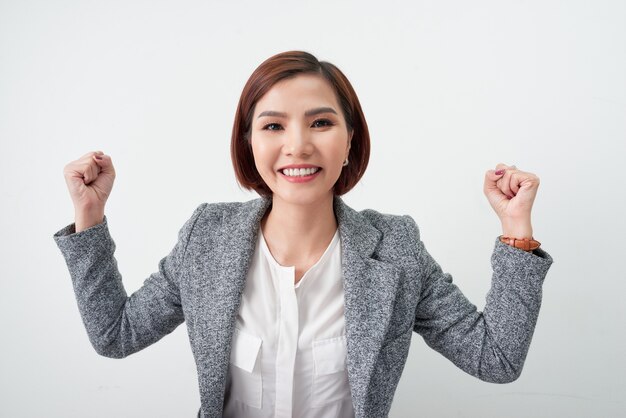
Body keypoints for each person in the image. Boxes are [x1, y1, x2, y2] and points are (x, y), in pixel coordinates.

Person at [53, 51, 553, 418]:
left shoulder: (396, 250)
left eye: (320, 122)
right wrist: (89, 217)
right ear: (248, 142)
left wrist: (516, 230)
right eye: (273, 126)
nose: (298, 145)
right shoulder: (207, 239)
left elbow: (497, 359)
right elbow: (115, 335)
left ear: (349, 140)